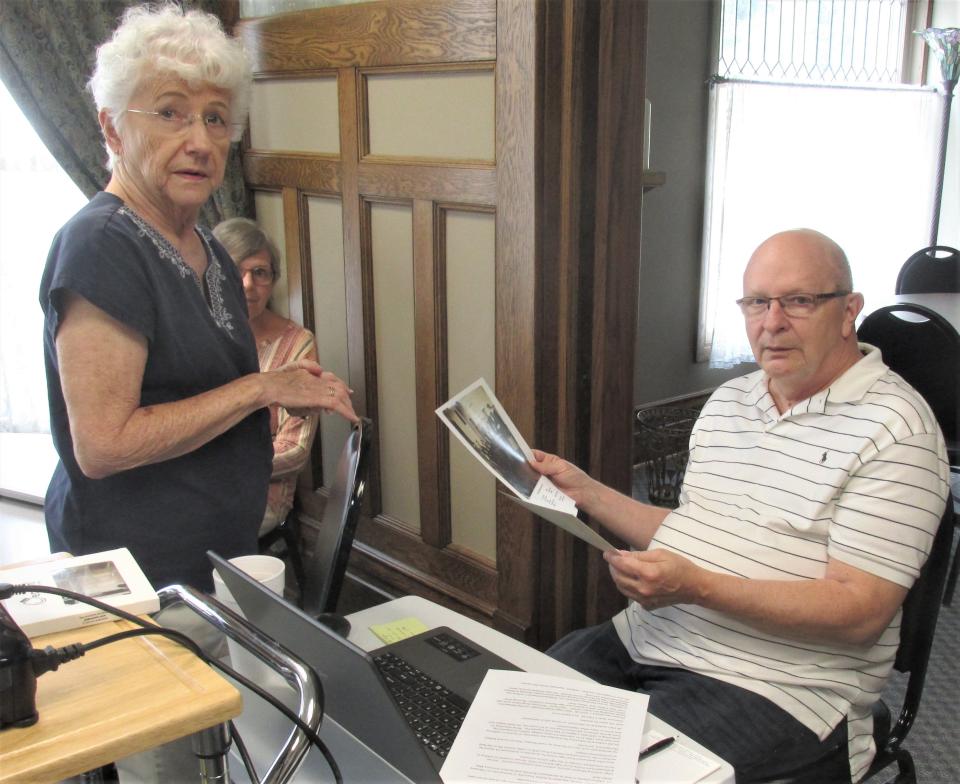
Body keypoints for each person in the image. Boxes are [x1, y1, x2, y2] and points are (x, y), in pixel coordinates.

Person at [533, 229, 949, 783]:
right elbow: (693, 531)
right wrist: (584, 490)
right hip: (654, 639)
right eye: (756, 302)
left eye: (799, 301)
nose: (771, 322)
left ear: (849, 310)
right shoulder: (732, 399)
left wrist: (696, 587)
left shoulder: (897, 431)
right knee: (519, 714)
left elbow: (859, 613)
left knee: (587, 770)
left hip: (782, 687)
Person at [39, 4, 358, 594]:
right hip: (138, 569)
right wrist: (263, 387)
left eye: (215, 119)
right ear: (113, 128)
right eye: (169, 113)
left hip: (209, 555)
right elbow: (104, 445)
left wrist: (285, 389)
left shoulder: (206, 242)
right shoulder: (102, 245)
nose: (200, 141)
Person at [213, 217, 318, 536]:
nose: (247, 284)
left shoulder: (298, 343)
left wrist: (220, 472)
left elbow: (296, 450)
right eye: (235, 270)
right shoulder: (197, 333)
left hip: (260, 493)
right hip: (193, 485)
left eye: (259, 273)